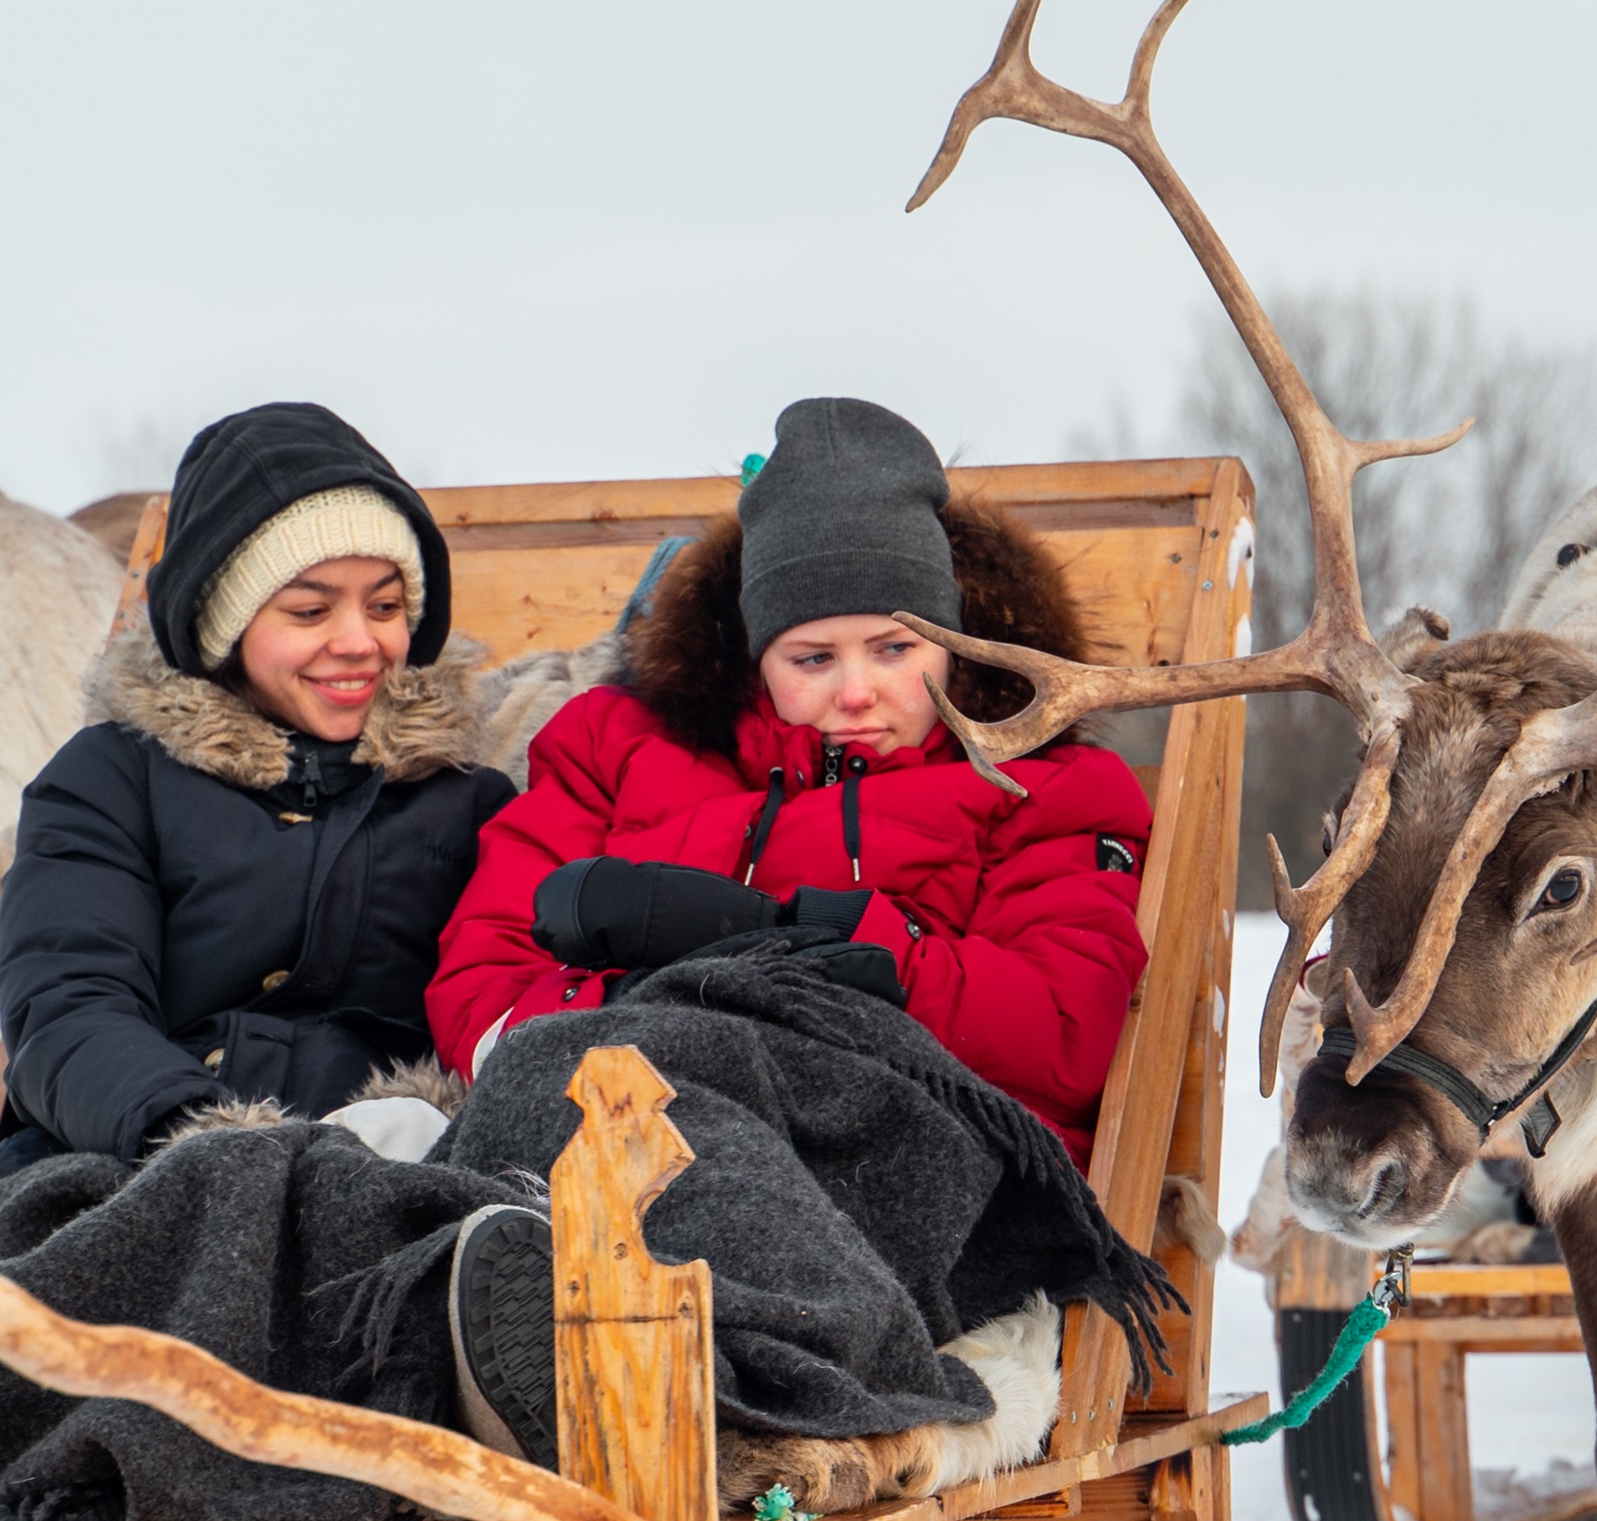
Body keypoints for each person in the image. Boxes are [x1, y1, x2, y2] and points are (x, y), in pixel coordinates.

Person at [431, 396, 1148, 1158]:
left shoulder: (1045, 784)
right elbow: (483, 982)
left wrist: (822, 941)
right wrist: (631, 1001)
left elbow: (1068, 1035)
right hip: (618, 1129)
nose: (856, 692)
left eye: (895, 650)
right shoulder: (613, 744)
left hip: (911, 1153)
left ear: (954, 644)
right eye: (812, 659)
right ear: (754, 651)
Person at [0, 402, 516, 1200]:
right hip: (134, 1157)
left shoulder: (464, 801)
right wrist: (206, 1142)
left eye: (387, 606)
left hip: (386, 1170)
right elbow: (69, 1004)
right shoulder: (111, 780)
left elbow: (504, 997)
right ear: (225, 623)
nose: (360, 641)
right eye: (310, 610)